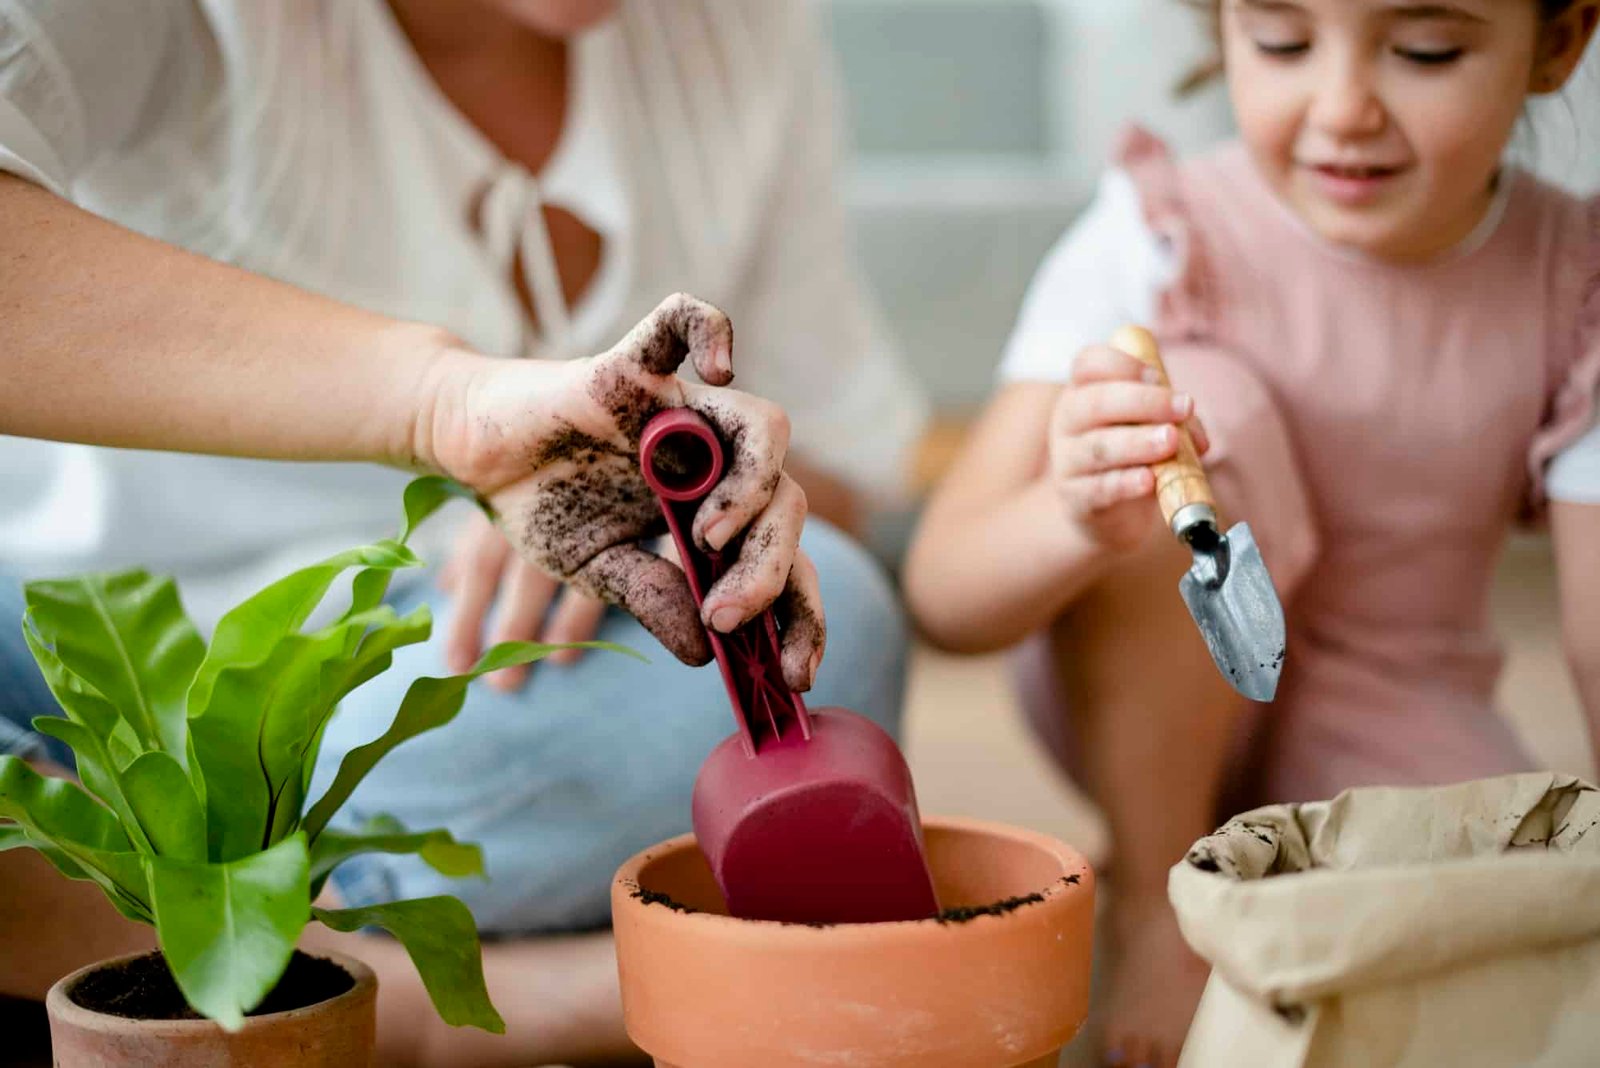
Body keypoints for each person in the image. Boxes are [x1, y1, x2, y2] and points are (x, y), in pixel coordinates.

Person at [0, 1, 925, 1062]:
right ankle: (446, 998)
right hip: (41, 647)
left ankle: (250, 954)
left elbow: (843, 459)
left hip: (405, 681)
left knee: (832, 612)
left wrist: (685, 513)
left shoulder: (741, 33)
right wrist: (444, 408)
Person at [903, 2, 1600, 1066]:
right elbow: (944, 594)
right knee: (1202, 401)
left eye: (1423, 51)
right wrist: (1077, 517)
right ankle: (1152, 884)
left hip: (1389, 700)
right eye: (1280, 42)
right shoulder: (1157, 236)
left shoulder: (1572, 279)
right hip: (1142, 692)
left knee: (1484, 954)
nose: (1341, 108)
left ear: (1556, 44)